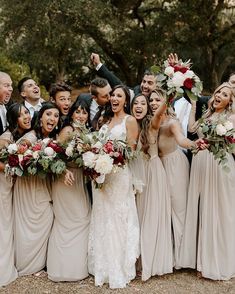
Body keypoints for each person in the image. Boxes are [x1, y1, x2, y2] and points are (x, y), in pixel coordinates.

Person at [179, 83, 235, 280]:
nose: (219, 95)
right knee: (203, 209)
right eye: (219, 91)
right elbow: (192, 129)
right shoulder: (208, 114)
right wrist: (194, 107)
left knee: (219, 211)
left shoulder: (231, 118)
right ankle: (202, 260)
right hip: (202, 164)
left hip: (219, 166)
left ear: (230, 101)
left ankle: (218, 260)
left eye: (225, 94)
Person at [88, 85, 140, 289]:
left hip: (119, 176)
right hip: (102, 176)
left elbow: (131, 151)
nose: (114, 98)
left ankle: (119, 266)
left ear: (126, 100)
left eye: (119, 95)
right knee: (102, 216)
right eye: (112, 95)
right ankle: (103, 265)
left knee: (118, 217)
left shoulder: (130, 121)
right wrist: (95, 158)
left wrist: (111, 157)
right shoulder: (105, 121)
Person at [149, 89, 200, 269]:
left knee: (179, 210)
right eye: (151, 100)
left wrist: (194, 144)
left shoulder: (172, 123)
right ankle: (170, 253)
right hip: (159, 168)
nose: (153, 103)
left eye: (158, 100)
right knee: (165, 211)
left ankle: (184, 257)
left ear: (165, 102)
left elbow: (181, 140)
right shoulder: (151, 122)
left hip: (175, 166)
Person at [13, 102, 60, 276]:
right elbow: (19, 150)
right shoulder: (32, 135)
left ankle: (38, 263)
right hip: (28, 185)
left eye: (56, 116)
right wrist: (30, 153)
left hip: (42, 185)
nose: (52, 119)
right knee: (27, 225)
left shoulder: (54, 139)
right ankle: (24, 263)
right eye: (49, 114)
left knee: (45, 220)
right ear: (40, 118)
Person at [47, 99, 91, 282]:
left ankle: (76, 268)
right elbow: (52, 155)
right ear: (72, 114)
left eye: (84, 112)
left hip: (79, 179)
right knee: (69, 221)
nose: (81, 115)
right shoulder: (68, 131)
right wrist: (64, 171)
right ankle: (60, 269)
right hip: (65, 179)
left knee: (83, 218)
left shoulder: (88, 133)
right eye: (78, 112)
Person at [131, 93, 173, 281]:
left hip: (153, 173)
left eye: (143, 103)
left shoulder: (152, 124)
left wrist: (172, 89)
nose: (139, 106)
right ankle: (138, 260)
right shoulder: (131, 125)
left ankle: (150, 262)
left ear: (148, 107)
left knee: (151, 217)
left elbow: (160, 112)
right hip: (138, 175)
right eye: (136, 103)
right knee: (139, 217)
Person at [0, 103, 30, 287]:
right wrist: (13, 167)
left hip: (11, 187)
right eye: (21, 115)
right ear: (13, 119)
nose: (26, 117)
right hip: (2, 186)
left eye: (27, 113)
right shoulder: (5, 137)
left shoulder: (22, 137)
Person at [91, 53, 157, 98]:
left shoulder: (164, 100)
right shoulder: (136, 92)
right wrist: (98, 64)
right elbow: (117, 84)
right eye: (144, 81)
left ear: (157, 85)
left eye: (150, 83)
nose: (145, 86)